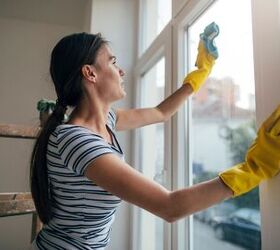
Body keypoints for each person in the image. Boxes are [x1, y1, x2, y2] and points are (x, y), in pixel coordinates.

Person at [30, 24, 280, 249]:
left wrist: (201, 72)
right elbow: (170, 206)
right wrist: (254, 169)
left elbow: (162, 112)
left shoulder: (107, 120)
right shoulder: (77, 141)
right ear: (90, 73)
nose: (121, 71)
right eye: (113, 62)